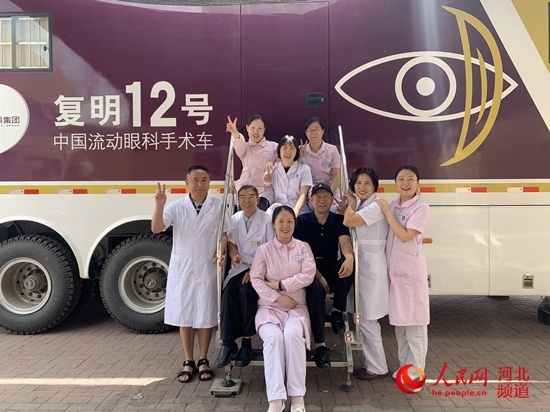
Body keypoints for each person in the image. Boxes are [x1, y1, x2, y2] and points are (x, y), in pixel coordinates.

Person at [152, 165, 233, 383]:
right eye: (195, 180)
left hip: (208, 266)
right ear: (186, 182)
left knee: (205, 315)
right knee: (185, 314)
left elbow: (224, 235)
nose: (199, 184)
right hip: (184, 268)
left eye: (204, 179)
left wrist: (220, 252)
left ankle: (203, 358)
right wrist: (159, 206)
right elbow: (157, 227)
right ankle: (188, 360)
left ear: (209, 182)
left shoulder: (218, 206)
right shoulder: (176, 207)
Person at [250, 205, 315, 412]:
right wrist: (278, 298)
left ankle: (297, 399)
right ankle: (276, 401)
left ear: (295, 224)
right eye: (281, 222)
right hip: (269, 309)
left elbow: (308, 273)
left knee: (294, 336)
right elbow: (256, 279)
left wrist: (281, 285)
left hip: (296, 308)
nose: (285, 226)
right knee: (274, 339)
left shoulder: (303, 248)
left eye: (289, 221)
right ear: (274, 225)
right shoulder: (264, 250)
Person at [375, 165, 431, 381]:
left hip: (410, 274)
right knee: (400, 323)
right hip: (395, 273)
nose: (405, 183)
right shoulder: (394, 206)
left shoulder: (421, 208)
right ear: (395, 182)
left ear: (418, 183)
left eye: (410, 179)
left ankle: (416, 370)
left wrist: (388, 214)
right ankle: (405, 367)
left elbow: (406, 235)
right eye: (401, 179)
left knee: (415, 325)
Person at [293, 183, 354, 369]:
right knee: (316, 291)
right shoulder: (302, 221)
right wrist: (319, 277)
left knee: (346, 266)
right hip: (307, 269)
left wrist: (350, 256)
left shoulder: (338, 220)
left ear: (331, 199)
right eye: (317, 197)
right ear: (311, 201)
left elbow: (344, 242)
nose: (321, 200)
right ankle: (320, 346)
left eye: (325, 197)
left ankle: (337, 310)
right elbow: (301, 255)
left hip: (328, 264)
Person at [214, 185, 275, 369]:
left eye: (251, 197)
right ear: (238, 201)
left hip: (260, 269)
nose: (247, 201)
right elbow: (231, 243)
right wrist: (234, 256)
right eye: (243, 197)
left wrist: (254, 271)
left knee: (246, 292)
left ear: (258, 199)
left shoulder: (267, 219)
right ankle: (228, 342)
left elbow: (270, 249)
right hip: (240, 266)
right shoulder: (234, 219)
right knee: (229, 291)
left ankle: (246, 343)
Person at [342, 167, 390, 381]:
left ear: (374, 186)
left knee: (369, 318)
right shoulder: (364, 205)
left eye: (367, 183)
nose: (361, 187)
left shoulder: (376, 206)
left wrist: (350, 205)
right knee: (363, 316)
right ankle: (372, 363)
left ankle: (378, 367)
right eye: (358, 183)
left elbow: (349, 221)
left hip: (371, 267)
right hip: (363, 265)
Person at [227, 114, 278, 210]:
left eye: (260, 128)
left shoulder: (273, 147)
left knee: (258, 212)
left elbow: (284, 162)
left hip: (264, 191)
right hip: (245, 189)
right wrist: (234, 132)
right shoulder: (245, 147)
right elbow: (238, 142)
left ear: (264, 129)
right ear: (247, 128)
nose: (256, 131)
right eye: (253, 128)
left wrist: (273, 164)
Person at [299, 117, 342, 212]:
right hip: (311, 189)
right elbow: (295, 173)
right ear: (306, 133)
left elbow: (337, 175)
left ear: (322, 131)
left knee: (335, 210)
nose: (313, 132)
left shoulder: (332, 149)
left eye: (316, 129)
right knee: (317, 207)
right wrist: (300, 157)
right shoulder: (301, 150)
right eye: (310, 130)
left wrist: (330, 193)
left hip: (330, 188)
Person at [265, 135, 312, 216]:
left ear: (296, 152)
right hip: (278, 209)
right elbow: (266, 181)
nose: (288, 151)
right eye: (284, 148)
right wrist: (267, 180)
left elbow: (303, 194)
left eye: (292, 148)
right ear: (279, 150)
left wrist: (294, 214)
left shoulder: (304, 169)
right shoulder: (273, 168)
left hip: (299, 211)